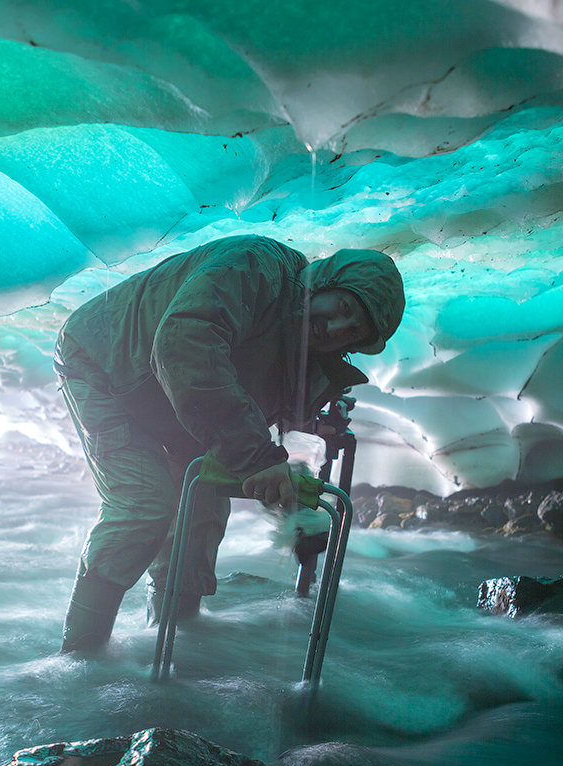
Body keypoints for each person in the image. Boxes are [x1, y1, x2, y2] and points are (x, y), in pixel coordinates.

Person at [53, 234, 404, 652]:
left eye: (354, 332)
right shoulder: (255, 267)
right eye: (343, 308)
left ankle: (174, 651)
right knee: (145, 502)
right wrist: (258, 459)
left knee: (202, 512)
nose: (336, 328)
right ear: (325, 282)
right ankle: (80, 663)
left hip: (172, 397)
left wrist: (295, 513)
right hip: (103, 360)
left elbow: (262, 417)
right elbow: (184, 344)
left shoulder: (305, 345)